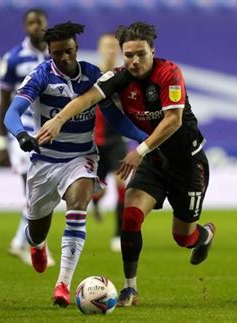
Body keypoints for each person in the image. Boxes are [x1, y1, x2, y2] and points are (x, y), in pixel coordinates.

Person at [37, 22, 216, 307]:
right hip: (155, 160)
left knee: (183, 237)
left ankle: (203, 235)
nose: (134, 61)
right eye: (128, 55)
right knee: (130, 216)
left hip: (187, 163)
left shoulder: (169, 73)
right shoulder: (119, 78)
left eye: (140, 55)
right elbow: (87, 99)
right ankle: (129, 289)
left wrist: (140, 150)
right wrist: (58, 120)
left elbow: (173, 120)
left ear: (152, 51)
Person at [4, 22, 148, 307]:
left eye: (69, 51)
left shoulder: (92, 75)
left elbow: (115, 118)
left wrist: (147, 138)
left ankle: (63, 284)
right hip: (44, 162)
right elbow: (12, 112)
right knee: (36, 229)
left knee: (78, 204)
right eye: (58, 54)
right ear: (50, 52)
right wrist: (21, 135)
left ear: (77, 48)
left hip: (81, 158)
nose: (65, 58)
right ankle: (37, 245)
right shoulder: (40, 77)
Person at [0, 8, 54, 266]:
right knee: (34, 190)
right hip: (21, 132)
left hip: (48, 131)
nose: (35, 27)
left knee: (40, 191)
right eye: (31, 23)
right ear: (25, 27)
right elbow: (3, 101)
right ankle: (36, 245)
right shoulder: (13, 58)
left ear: (46, 24)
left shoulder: (57, 55)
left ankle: (20, 241)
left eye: (39, 22)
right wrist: (1, 137)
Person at [91, 33, 127, 252]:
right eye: (107, 46)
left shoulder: (124, 77)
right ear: (99, 49)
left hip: (116, 141)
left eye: (115, 46)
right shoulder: (91, 75)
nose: (111, 50)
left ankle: (118, 234)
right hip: (94, 143)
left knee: (123, 186)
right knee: (97, 190)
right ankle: (95, 202)